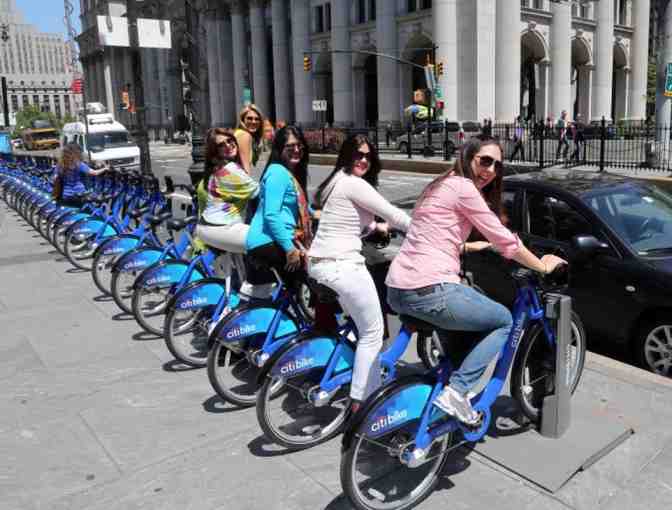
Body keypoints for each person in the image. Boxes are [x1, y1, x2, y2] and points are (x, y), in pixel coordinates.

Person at [386, 135, 566, 425]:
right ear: (468, 156)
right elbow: (506, 241)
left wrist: (469, 246)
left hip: (398, 288)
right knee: (503, 321)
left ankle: (443, 394)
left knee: (468, 325)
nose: (491, 170)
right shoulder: (463, 187)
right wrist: (542, 266)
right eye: (485, 161)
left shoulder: (440, 183)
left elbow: (433, 233)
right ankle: (456, 392)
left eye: (497, 165)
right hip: (430, 288)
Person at [308, 134, 412, 411]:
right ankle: (362, 404)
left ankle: (356, 377)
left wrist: (375, 228)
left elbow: (345, 220)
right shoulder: (354, 183)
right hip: (342, 265)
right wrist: (429, 233)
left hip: (319, 264)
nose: (363, 160)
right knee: (373, 333)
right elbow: (395, 215)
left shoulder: (335, 180)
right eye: (357, 154)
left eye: (367, 155)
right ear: (346, 155)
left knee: (359, 325)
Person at [245, 125, 312, 293]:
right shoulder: (278, 172)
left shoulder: (287, 173)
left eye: (299, 146)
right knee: (318, 282)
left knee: (292, 291)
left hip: (273, 239)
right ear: (279, 148)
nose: (296, 150)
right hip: (270, 241)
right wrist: (289, 249)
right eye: (290, 147)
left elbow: (294, 205)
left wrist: (315, 213)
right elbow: (271, 214)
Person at [196, 129, 258, 255]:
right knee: (269, 242)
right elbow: (258, 192)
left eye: (230, 140)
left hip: (207, 227)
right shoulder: (230, 169)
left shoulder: (216, 168)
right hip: (222, 228)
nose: (228, 145)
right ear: (215, 151)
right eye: (221, 145)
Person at [54, 143, 107, 207]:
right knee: (98, 199)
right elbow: (95, 173)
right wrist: (105, 168)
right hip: (79, 194)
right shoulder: (78, 164)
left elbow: (55, 178)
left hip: (65, 195)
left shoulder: (60, 165)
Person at [235, 104, 265, 174]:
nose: (253, 122)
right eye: (249, 118)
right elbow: (246, 168)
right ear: (242, 120)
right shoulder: (244, 135)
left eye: (257, 119)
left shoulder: (240, 133)